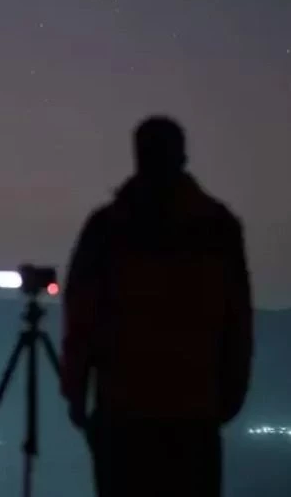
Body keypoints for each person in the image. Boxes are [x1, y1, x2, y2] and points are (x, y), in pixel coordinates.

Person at [60, 116, 253, 497]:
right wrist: (228, 396)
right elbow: (237, 320)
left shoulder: (108, 228)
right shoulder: (217, 227)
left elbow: (81, 317)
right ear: (181, 155)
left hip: (124, 411)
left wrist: (77, 392)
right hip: (195, 413)